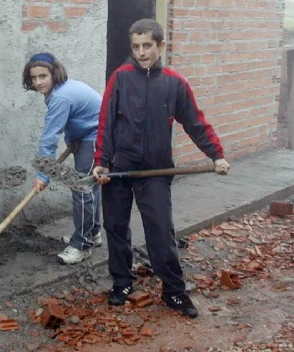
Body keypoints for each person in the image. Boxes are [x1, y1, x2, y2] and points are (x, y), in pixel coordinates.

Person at [93, 18, 230, 318]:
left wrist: (216, 154)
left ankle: (174, 292)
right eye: (135, 46)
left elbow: (195, 122)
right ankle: (121, 282)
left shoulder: (174, 83)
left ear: (161, 45)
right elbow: (105, 123)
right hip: (119, 169)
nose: (141, 52)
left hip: (155, 171)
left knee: (160, 230)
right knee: (115, 227)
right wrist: (101, 163)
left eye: (147, 46)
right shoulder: (120, 77)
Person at [23, 53, 103, 265]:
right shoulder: (58, 91)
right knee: (89, 187)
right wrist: (72, 138)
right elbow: (74, 117)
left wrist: (43, 174)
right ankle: (92, 233)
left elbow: (49, 139)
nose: (38, 82)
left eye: (43, 76)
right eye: (34, 77)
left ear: (54, 73)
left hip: (96, 136)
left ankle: (82, 245)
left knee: (82, 187)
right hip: (86, 135)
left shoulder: (60, 96)